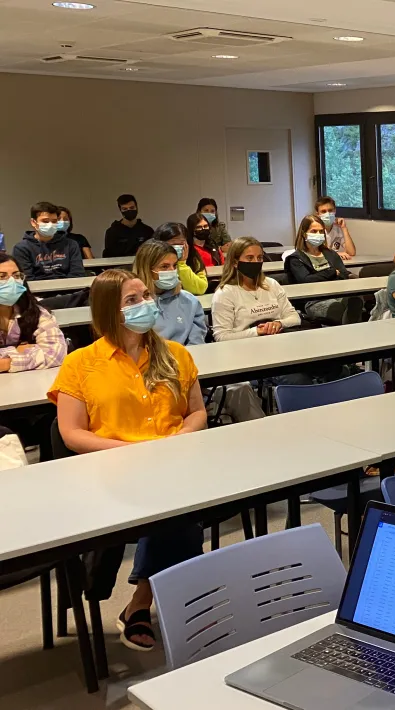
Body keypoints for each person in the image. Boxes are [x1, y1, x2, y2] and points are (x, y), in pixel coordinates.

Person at [48, 269, 206, 651]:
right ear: (108, 311)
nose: (145, 305)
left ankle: (142, 601)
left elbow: (197, 412)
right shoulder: (81, 363)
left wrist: (181, 439)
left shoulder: (175, 355)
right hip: (112, 469)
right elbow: (71, 433)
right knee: (172, 509)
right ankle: (163, 598)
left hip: (173, 463)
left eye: (146, 297)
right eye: (132, 301)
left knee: (176, 502)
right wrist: (133, 452)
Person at [133, 240, 265, 422]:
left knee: (240, 387)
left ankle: (260, 439)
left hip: (191, 368)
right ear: (147, 269)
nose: (171, 271)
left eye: (173, 266)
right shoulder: (136, 308)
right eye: (164, 266)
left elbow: (198, 342)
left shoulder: (189, 301)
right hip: (154, 374)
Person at [211, 237, 301, 341]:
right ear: (235, 263)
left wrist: (279, 323)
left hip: (278, 341)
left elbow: (294, 317)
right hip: (245, 347)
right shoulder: (225, 294)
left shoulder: (272, 284)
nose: (256, 262)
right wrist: (257, 331)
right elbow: (221, 336)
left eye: (259, 258)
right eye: (249, 258)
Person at [284, 215, 364, 325]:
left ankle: (349, 333)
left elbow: (343, 274)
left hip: (338, 294)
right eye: (314, 231)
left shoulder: (330, 253)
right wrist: (331, 272)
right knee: (341, 311)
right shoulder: (296, 259)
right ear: (304, 233)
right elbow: (307, 281)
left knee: (356, 299)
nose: (318, 235)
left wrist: (324, 275)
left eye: (321, 231)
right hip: (314, 301)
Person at [0, 253, 66, 373]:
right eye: (1, 276)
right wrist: (15, 350)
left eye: (16, 276)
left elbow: (56, 353)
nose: (11, 282)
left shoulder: (34, 310)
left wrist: (7, 362)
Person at [12, 201, 87, 280]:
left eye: (54, 221)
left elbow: (77, 274)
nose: (50, 225)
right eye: (45, 221)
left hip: (69, 289)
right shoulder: (21, 248)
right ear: (33, 222)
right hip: (37, 291)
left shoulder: (71, 244)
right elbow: (26, 278)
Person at [154, 221, 209, 296]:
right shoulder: (153, 260)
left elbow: (200, 289)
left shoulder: (193, 258)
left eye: (181, 243)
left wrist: (182, 264)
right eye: (173, 244)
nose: (177, 247)